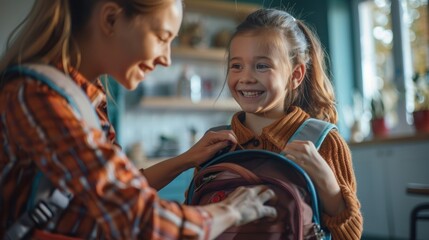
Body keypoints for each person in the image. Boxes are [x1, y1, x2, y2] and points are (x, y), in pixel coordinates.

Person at [0, 0, 277, 239]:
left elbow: (118, 189)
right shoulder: (37, 97)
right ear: (111, 20)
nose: (167, 59)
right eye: (161, 37)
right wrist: (229, 212)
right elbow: (138, 220)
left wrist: (187, 159)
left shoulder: (84, 100)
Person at [209, 8, 363, 239]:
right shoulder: (216, 144)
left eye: (262, 66)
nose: (246, 77)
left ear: (296, 75)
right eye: (236, 66)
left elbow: (350, 236)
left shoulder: (324, 143)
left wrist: (328, 185)